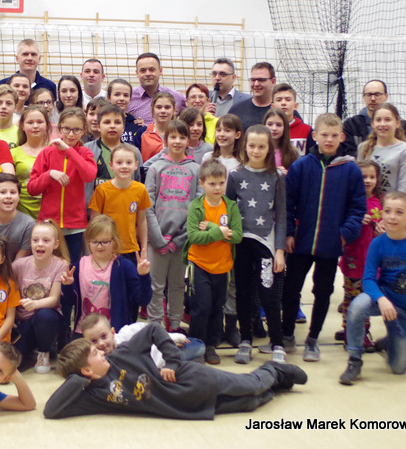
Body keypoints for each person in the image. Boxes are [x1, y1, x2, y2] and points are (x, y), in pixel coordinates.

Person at [44, 327, 306, 420]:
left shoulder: (122, 354)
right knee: (252, 402)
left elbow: (153, 330)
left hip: (194, 380)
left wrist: (172, 361)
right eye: (94, 353)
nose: (102, 351)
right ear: (86, 370)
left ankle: (273, 369)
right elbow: (51, 411)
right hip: (188, 407)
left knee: (251, 386)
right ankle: (278, 384)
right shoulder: (94, 395)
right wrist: (79, 377)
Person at [282, 113, 366, 361]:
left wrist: (344, 235)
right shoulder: (301, 166)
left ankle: (313, 339)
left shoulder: (351, 170)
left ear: (342, 137)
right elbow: (287, 203)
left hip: (331, 244)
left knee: (323, 292)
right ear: (315, 136)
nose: (329, 140)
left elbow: (357, 208)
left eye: (334, 135)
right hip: (300, 242)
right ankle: (287, 335)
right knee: (291, 289)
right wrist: (289, 232)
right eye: (324, 135)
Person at [339, 192, 406, 385]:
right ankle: (354, 360)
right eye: (388, 211)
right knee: (356, 307)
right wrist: (381, 300)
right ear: (382, 214)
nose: (392, 217)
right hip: (384, 299)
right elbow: (368, 279)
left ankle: (388, 342)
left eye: (399, 212)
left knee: (398, 368)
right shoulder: (377, 243)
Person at [226, 126, 286, 364]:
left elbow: (281, 216)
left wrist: (279, 250)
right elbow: (227, 210)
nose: (256, 150)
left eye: (261, 146)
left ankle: (277, 343)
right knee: (243, 293)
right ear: (245, 146)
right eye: (252, 146)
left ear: (269, 148)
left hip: (265, 245)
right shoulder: (235, 175)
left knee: (268, 294)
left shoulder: (277, 176)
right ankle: (245, 341)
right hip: (241, 244)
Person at [185, 159, 243, 364]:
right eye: (212, 183)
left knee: (217, 307)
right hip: (199, 264)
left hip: (223, 266)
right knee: (201, 306)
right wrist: (220, 232)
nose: (217, 188)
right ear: (202, 183)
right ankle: (195, 347)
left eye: (221, 183)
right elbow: (194, 237)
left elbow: (237, 236)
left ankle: (210, 346)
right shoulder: (196, 207)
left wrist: (210, 228)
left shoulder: (231, 206)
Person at [144, 120, 201, 331]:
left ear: (188, 140)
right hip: (157, 240)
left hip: (182, 241)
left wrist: (180, 238)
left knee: (177, 285)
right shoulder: (155, 168)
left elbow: (198, 208)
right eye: (173, 137)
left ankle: (175, 325)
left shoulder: (196, 169)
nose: (177, 141)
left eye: (182, 137)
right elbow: (147, 206)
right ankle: (155, 327)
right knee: (156, 286)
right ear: (165, 140)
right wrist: (158, 239)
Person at [28, 107, 96, 263]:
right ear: (59, 129)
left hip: (75, 225)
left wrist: (68, 151)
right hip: (48, 223)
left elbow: (89, 176)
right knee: (47, 266)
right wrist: (49, 174)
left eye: (76, 130)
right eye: (66, 129)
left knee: (70, 267)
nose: (71, 134)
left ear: (83, 131)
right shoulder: (47, 153)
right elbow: (32, 189)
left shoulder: (85, 153)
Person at [64, 215, 152, 333]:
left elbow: (143, 300)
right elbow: (69, 301)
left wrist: (144, 276)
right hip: (83, 332)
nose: (99, 246)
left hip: (115, 333)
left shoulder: (124, 267)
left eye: (105, 242)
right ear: (88, 242)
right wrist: (67, 286)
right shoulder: (79, 266)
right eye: (94, 242)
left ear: (114, 241)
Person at [12, 219, 72, 373]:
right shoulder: (18, 265)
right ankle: (30, 347)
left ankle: (44, 351)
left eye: (46, 241)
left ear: (55, 244)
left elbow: (54, 299)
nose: (40, 244)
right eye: (35, 240)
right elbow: (8, 295)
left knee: (45, 315)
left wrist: (35, 304)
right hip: (23, 321)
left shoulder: (60, 265)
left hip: (47, 318)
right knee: (14, 363)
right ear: (30, 242)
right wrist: (9, 318)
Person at [335, 160, 383, 344]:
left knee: (366, 297)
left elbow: (385, 228)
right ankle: (354, 332)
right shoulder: (349, 202)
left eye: (372, 177)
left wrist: (381, 230)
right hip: (353, 258)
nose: (368, 181)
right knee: (352, 296)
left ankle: (357, 330)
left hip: (371, 261)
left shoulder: (380, 202)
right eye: (363, 177)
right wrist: (355, 219)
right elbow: (339, 224)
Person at [88, 144, 151, 263]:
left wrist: (144, 248)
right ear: (111, 165)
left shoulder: (141, 189)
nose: (124, 166)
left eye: (129, 162)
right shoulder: (102, 190)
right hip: (107, 249)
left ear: (136, 165)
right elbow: (94, 222)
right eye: (119, 162)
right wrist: (95, 249)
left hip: (131, 249)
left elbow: (142, 221)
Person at [80, 312, 205, 365]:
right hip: (158, 367)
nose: (101, 343)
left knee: (200, 347)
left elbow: (151, 329)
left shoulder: (126, 333)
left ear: (112, 332)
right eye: (94, 341)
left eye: (104, 336)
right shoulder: (98, 361)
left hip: (166, 351)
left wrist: (171, 339)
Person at [85, 103, 144, 205]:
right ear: (98, 127)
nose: (112, 126)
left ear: (123, 127)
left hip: (125, 208)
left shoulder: (134, 152)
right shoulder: (87, 150)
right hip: (95, 210)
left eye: (117, 122)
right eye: (107, 122)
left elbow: (140, 181)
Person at [343, 79, 406, 158]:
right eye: (369, 95)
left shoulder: (402, 125)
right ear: (363, 97)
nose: (373, 98)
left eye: (377, 94)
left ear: (386, 96)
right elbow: (346, 154)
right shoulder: (351, 124)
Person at [357, 102, 406, 194]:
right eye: (378, 120)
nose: (383, 124)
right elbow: (358, 182)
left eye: (387, 120)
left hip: (392, 202)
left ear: (397, 123)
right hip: (367, 202)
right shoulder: (363, 147)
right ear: (372, 123)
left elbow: (404, 188)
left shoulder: (405, 150)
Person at [10, 105, 51, 220]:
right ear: (22, 126)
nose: (35, 126)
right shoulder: (13, 153)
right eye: (30, 122)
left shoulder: (55, 152)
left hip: (49, 213)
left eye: (40, 122)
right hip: (21, 213)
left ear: (47, 125)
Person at [128, 53, 184, 125]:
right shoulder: (129, 98)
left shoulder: (176, 97)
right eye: (143, 70)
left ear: (160, 71)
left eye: (152, 70)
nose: (148, 74)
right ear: (137, 73)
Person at [230, 62, 277, 130]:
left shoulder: (281, 110)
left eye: (261, 80)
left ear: (273, 82)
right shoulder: (236, 110)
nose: (256, 84)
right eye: (253, 80)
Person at [271, 83, 313, 156]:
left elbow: (312, 159)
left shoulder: (307, 130)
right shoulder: (266, 131)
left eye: (288, 99)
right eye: (279, 100)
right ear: (272, 106)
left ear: (295, 106)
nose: (283, 103)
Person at [106, 79, 144, 146]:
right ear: (109, 97)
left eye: (126, 95)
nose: (122, 98)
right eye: (117, 95)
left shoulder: (136, 124)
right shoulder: (101, 121)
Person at [262, 108, 298, 174]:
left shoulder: (293, 152)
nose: (274, 128)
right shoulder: (257, 150)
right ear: (264, 125)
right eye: (270, 124)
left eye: (279, 125)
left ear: (285, 128)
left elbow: (298, 176)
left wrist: (287, 174)